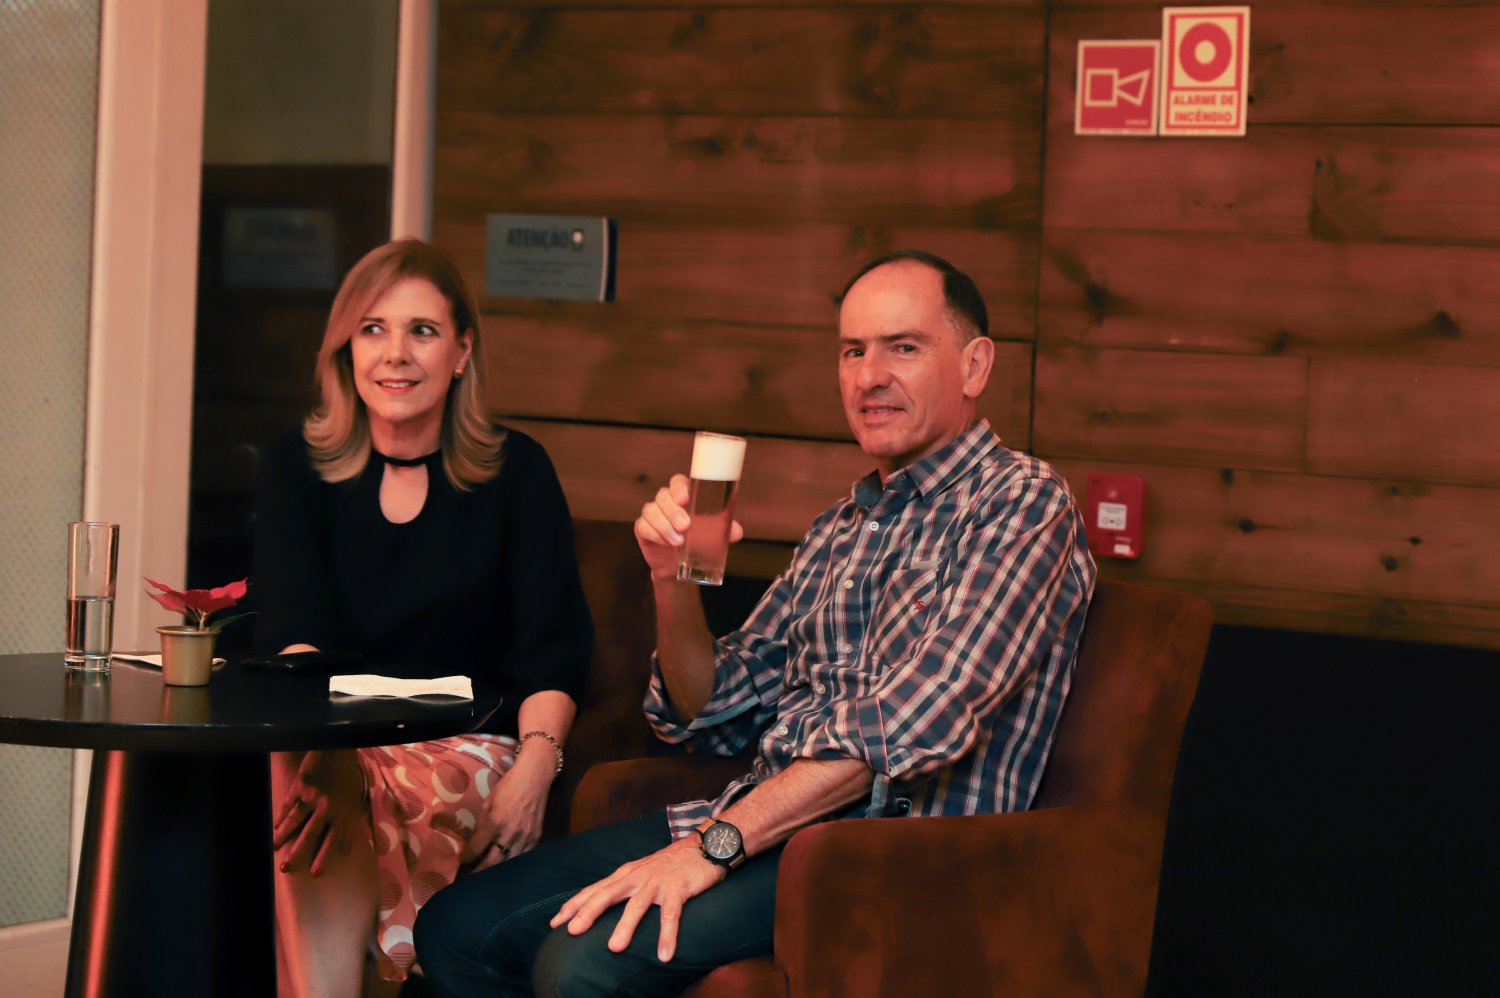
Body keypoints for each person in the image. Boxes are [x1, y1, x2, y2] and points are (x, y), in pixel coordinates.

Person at [414, 250, 1096, 997]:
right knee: (455, 928)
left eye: (903, 347)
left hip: (885, 856)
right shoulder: (841, 527)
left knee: (580, 967)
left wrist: (715, 847)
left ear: (974, 365)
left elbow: (913, 723)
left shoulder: (1022, 502)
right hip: (762, 826)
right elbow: (710, 711)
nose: (869, 376)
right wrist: (671, 580)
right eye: (852, 351)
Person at [251, 237, 593, 997]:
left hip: (467, 743)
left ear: (462, 351)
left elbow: (554, 646)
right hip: (331, 737)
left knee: (336, 799)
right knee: (297, 784)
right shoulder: (294, 468)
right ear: (346, 349)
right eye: (373, 329)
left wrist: (537, 768)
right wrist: (331, 754)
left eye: (423, 331)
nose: (395, 353)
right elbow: (291, 630)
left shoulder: (518, 471)